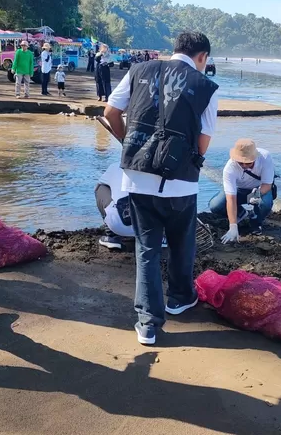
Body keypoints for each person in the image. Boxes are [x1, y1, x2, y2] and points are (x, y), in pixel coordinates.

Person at [104, 32, 219, 345]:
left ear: (175, 49)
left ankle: (148, 323)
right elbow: (204, 141)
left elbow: (110, 112)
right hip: (181, 182)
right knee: (182, 243)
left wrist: (127, 141)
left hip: (138, 179)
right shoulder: (205, 86)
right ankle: (180, 298)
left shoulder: (139, 70)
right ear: (203, 56)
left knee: (147, 248)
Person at [210, 138, 275, 242]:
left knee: (265, 203)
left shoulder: (265, 157)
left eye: (248, 163)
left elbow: (267, 185)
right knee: (215, 205)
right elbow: (231, 198)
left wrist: (256, 194)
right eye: (240, 163)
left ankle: (256, 221)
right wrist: (233, 226)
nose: (244, 165)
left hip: (259, 189)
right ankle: (241, 213)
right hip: (239, 190)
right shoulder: (229, 167)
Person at [95, 163, 135, 249]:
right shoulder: (155, 166)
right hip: (151, 228)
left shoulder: (115, 166)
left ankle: (112, 236)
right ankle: (162, 237)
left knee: (101, 187)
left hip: (119, 226)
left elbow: (99, 184)